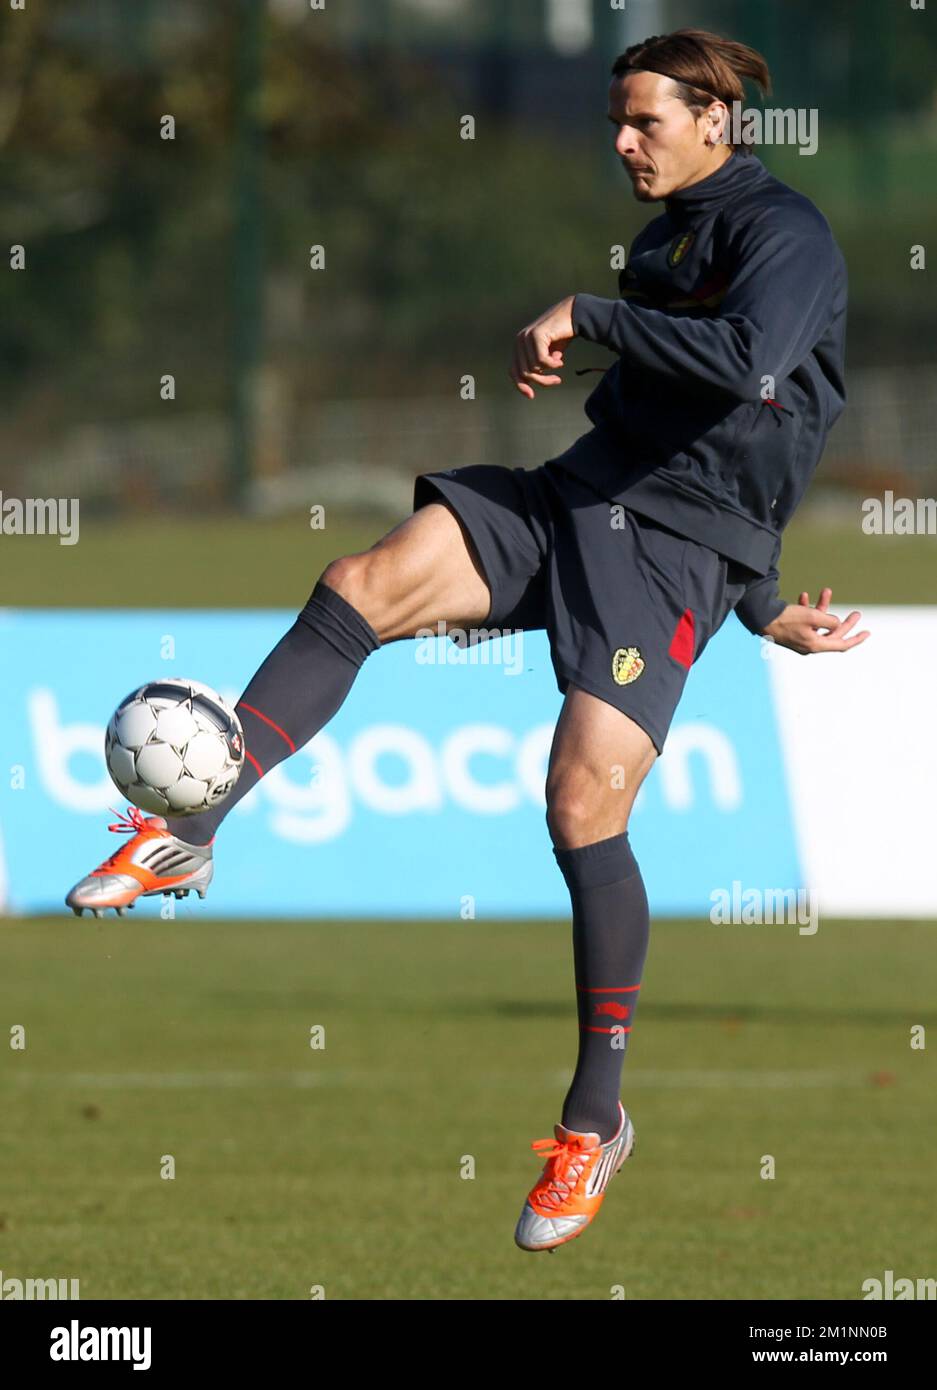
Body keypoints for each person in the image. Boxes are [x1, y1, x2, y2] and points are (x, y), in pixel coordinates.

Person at [67, 28, 869, 1254]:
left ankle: (593, 1121)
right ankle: (189, 830)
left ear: (718, 120)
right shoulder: (665, 236)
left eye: (644, 119)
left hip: (668, 552)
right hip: (581, 496)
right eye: (615, 118)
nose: (621, 141)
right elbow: (722, 427)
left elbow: (757, 378)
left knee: (581, 808)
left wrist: (745, 593)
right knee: (363, 581)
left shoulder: (785, 236)